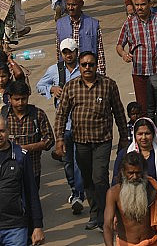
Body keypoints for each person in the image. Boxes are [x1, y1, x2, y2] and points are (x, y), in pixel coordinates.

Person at [54, 50, 129, 231]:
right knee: (87, 180)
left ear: (97, 66)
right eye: (84, 65)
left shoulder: (108, 85)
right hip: (80, 142)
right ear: (79, 67)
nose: (87, 68)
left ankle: (106, 216)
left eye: (91, 64)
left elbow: (119, 112)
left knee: (100, 178)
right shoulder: (71, 87)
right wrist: (59, 140)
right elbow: (61, 115)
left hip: (102, 141)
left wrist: (125, 137)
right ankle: (94, 214)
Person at [36, 38, 85, 213]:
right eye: (65, 52)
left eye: (71, 51)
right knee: (67, 162)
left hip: (82, 124)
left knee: (79, 161)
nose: (68, 55)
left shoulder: (84, 68)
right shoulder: (54, 70)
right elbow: (39, 85)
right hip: (63, 125)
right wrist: (52, 89)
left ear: (76, 51)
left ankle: (79, 194)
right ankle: (74, 189)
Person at [103, 151, 157, 246]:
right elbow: (108, 225)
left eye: (138, 173)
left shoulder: (152, 187)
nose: (135, 177)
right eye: (130, 173)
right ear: (123, 172)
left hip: (151, 242)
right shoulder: (113, 193)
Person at [0, 113, 45, 245]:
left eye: (2, 131)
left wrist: (37, 226)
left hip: (16, 227)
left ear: (8, 132)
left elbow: (32, 193)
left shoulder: (21, 156)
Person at [113, 117, 157, 202]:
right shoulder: (124, 155)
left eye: (147, 133)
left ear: (153, 134)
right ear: (134, 135)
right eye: (140, 134)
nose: (144, 137)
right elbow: (116, 181)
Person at [2, 80, 55, 185]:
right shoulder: (3, 115)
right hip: (8, 171)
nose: (20, 103)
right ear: (9, 98)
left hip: (32, 169)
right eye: (16, 99)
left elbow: (50, 140)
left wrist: (28, 148)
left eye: (23, 99)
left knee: (32, 200)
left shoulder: (38, 114)